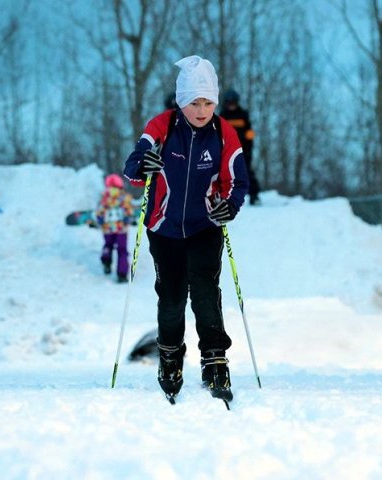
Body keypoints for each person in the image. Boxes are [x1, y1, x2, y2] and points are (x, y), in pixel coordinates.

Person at [123, 55, 249, 403]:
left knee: (206, 291)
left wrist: (229, 206)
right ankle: (169, 357)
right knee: (172, 295)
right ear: (182, 101)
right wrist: (143, 165)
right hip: (163, 226)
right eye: (195, 102)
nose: (202, 109)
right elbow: (133, 166)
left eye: (208, 101)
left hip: (205, 225)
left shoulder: (225, 134)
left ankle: (214, 360)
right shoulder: (162, 126)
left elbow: (238, 182)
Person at [220, 89, 261, 205]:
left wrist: (249, 145)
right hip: (226, 150)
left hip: (244, 149)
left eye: (234, 103)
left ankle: (254, 195)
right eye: (229, 103)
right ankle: (223, 196)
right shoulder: (222, 116)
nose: (231, 106)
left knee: (246, 171)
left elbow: (250, 132)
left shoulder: (243, 115)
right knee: (224, 173)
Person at [95, 173, 134, 283]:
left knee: (108, 245)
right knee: (122, 250)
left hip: (108, 229)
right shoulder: (124, 197)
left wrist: (100, 219)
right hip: (121, 229)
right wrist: (128, 218)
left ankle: (106, 261)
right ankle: (122, 274)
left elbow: (100, 212)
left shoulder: (105, 198)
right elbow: (129, 211)